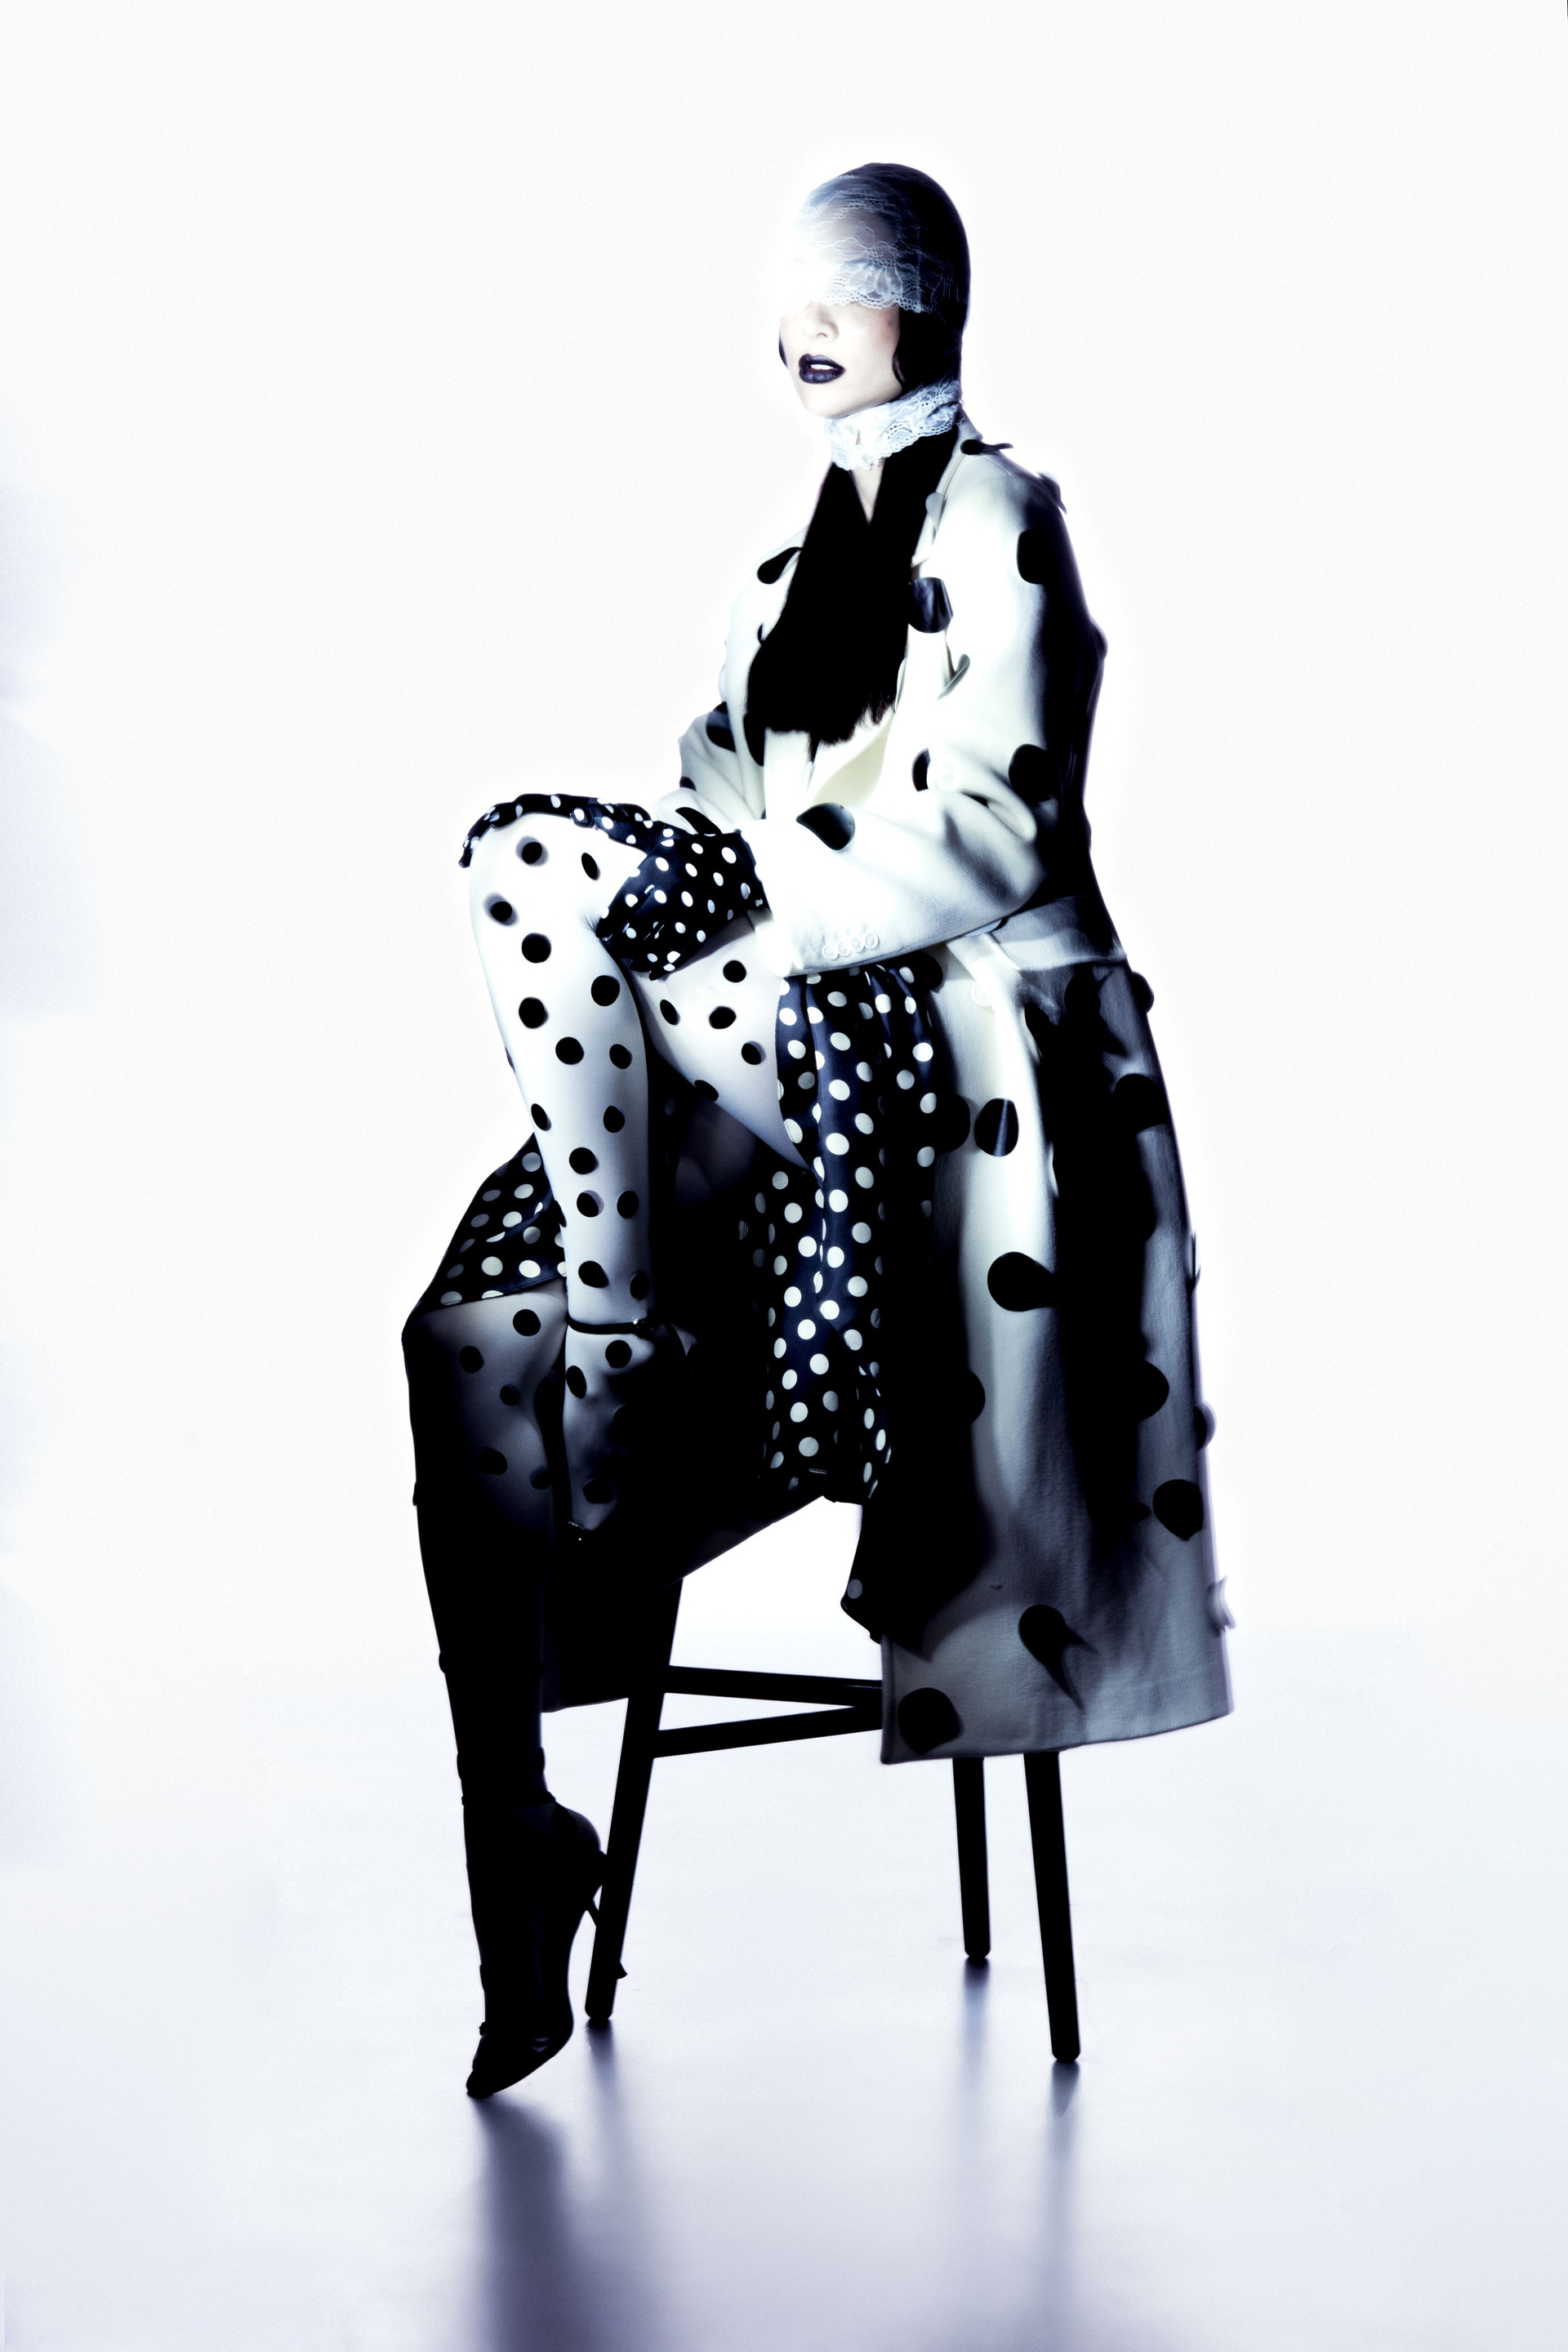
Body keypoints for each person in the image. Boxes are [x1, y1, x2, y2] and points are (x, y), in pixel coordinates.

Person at [403, 163, 1230, 2100]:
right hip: (775, 1045)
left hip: (949, 1050)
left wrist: (760, 904)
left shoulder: (1003, 519)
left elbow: (1000, 828)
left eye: (845, 286)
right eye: (789, 291)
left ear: (921, 304)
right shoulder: (778, 579)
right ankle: (512, 1830)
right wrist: (709, 894)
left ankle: (625, 1331)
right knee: (463, 1337)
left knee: (533, 862)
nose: (805, 322)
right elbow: (712, 806)